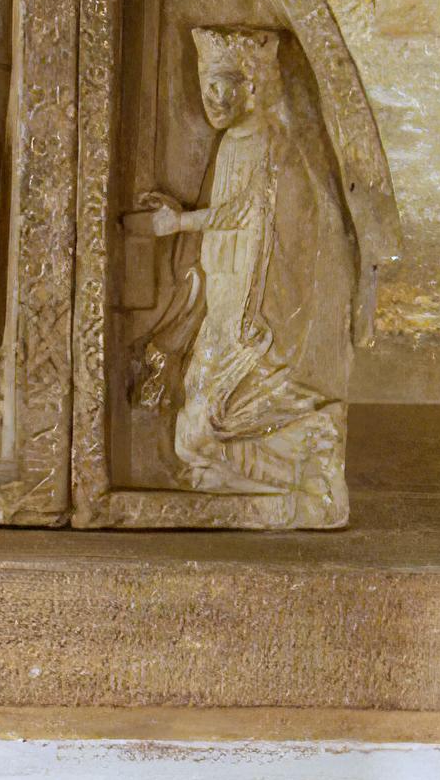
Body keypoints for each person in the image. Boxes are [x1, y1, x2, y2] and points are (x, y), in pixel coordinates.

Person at [128, 27, 347, 517]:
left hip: (249, 303)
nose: (213, 98)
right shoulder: (232, 142)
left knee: (207, 423)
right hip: (224, 295)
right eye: (206, 85)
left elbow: (246, 212)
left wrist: (179, 223)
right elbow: (229, 215)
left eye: (223, 85)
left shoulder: (265, 140)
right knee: (196, 421)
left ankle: (307, 462)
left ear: (252, 87)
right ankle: (257, 480)